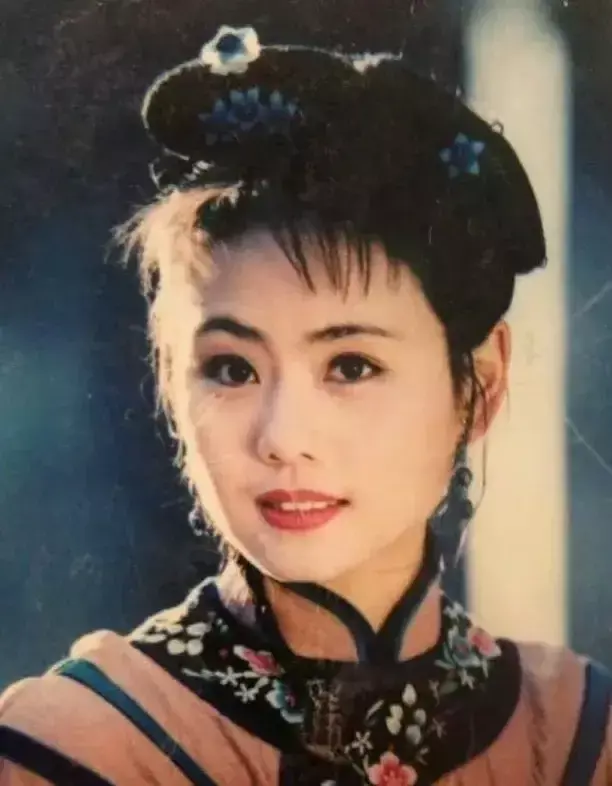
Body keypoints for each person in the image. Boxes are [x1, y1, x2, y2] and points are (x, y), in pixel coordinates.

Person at [1, 24, 610, 786]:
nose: (284, 437)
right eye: (232, 369)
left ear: (479, 387)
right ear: (170, 381)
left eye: (351, 366)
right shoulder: (80, 748)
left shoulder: (579, 737)